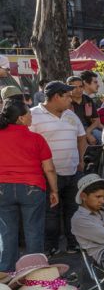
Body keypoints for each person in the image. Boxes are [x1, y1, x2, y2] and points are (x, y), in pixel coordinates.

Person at [30, 81, 87, 256]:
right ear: (56, 96)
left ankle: (73, 244)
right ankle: (50, 247)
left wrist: (80, 160)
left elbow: (82, 137)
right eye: (67, 96)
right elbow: (27, 143)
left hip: (73, 172)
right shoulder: (33, 115)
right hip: (47, 175)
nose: (71, 100)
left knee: (73, 210)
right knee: (50, 214)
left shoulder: (71, 115)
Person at [0, 101, 58, 272]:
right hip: (32, 188)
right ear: (20, 118)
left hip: (2, 188)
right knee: (34, 231)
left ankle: (5, 275)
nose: (31, 116)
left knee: (6, 233)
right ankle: (35, 273)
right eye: (28, 114)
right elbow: (49, 168)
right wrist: (54, 190)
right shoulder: (36, 138)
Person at [77, 71, 103, 144]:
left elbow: (96, 121)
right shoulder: (75, 99)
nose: (98, 85)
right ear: (85, 83)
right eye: (95, 82)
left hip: (88, 130)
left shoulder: (88, 99)